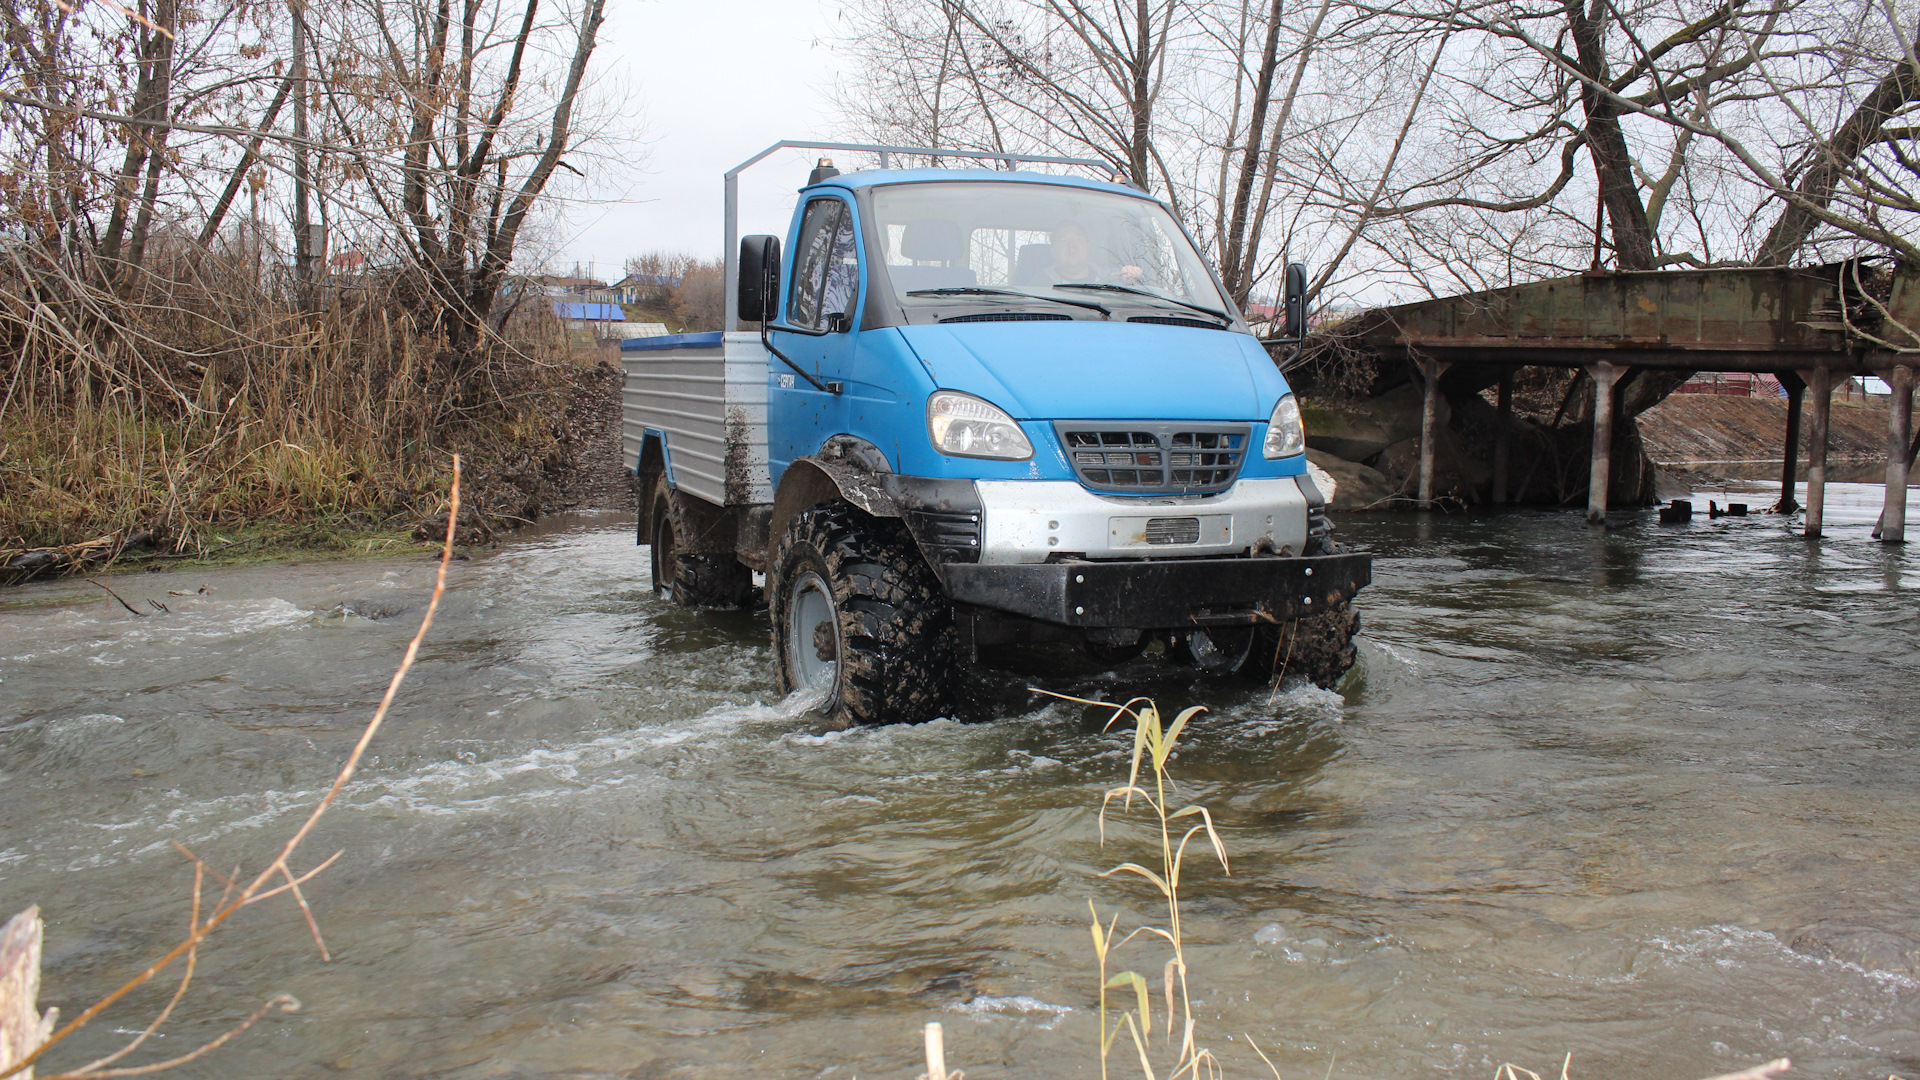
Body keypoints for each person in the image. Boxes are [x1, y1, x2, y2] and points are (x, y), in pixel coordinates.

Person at [1045, 223, 1142, 285]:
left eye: (1078, 239)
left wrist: (1134, 275)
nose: (1072, 245)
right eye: (1064, 240)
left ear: (1088, 246)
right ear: (1053, 250)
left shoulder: (1112, 278)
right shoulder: (1039, 284)